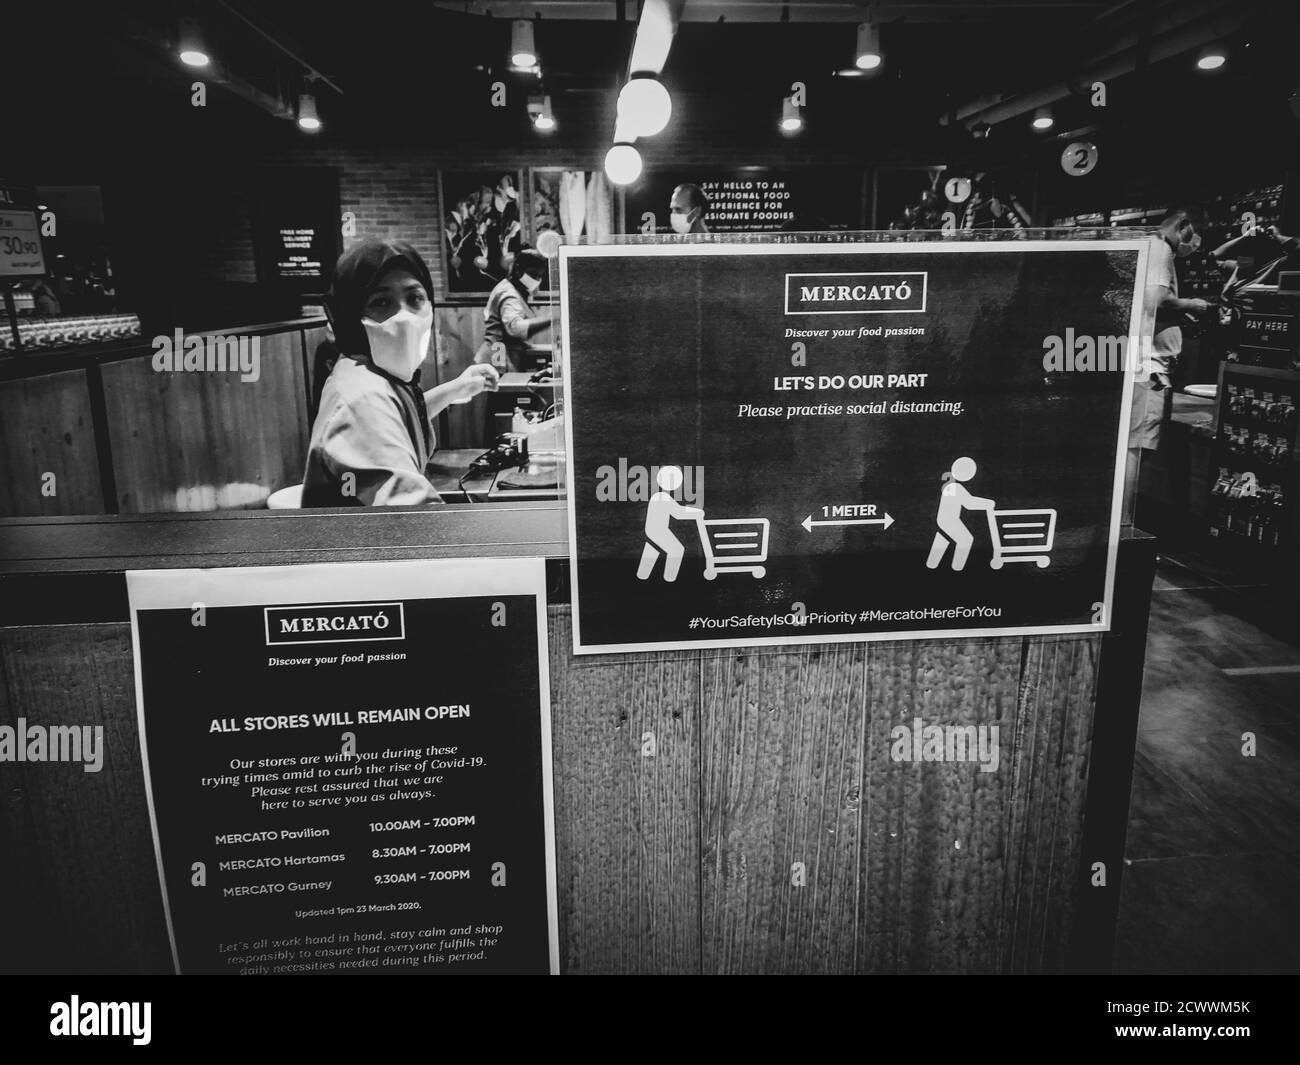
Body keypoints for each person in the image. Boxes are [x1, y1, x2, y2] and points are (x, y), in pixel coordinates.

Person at [303, 239, 498, 507]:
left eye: (414, 298)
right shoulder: (362, 397)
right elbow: (415, 516)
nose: (403, 316)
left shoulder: (372, 375)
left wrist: (457, 388)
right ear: (350, 314)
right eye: (382, 302)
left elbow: (396, 419)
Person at [476, 246, 550, 372]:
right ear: (518, 270)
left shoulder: (512, 288)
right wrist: (552, 318)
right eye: (533, 274)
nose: (536, 280)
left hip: (503, 357)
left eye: (539, 276)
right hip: (499, 360)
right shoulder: (508, 294)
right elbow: (515, 328)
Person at [926, 457, 995, 572]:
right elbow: (969, 503)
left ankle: (931, 564)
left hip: (944, 519)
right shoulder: (956, 487)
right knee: (966, 539)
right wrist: (989, 503)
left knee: (943, 538)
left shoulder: (950, 486)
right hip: (950, 520)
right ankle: (957, 567)